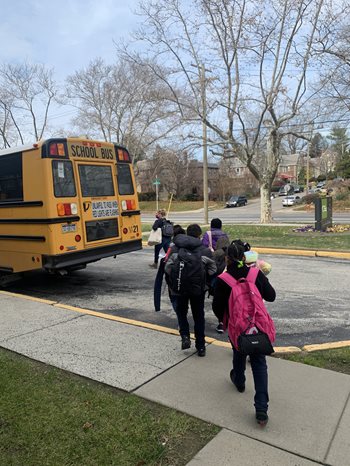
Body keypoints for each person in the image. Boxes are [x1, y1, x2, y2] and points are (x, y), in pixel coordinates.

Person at [212, 239, 276, 425]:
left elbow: (217, 307)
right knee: (259, 362)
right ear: (244, 257)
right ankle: (262, 408)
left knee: (238, 351)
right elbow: (271, 296)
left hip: (237, 326)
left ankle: (239, 380)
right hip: (258, 325)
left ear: (227, 259)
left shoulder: (223, 280)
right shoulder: (255, 273)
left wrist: (228, 319)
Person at [165, 224, 216, 357]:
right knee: (198, 316)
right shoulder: (205, 251)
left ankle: (185, 337)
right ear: (199, 235)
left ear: (187, 234)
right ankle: (200, 346)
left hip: (179, 288)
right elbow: (213, 270)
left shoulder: (175, 248)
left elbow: (168, 268)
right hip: (198, 290)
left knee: (182, 313)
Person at [153, 225, 185, 312]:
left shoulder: (171, 248)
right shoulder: (193, 247)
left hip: (174, 283)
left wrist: (157, 305)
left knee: (175, 299)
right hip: (190, 282)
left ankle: (181, 319)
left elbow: (164, 268)